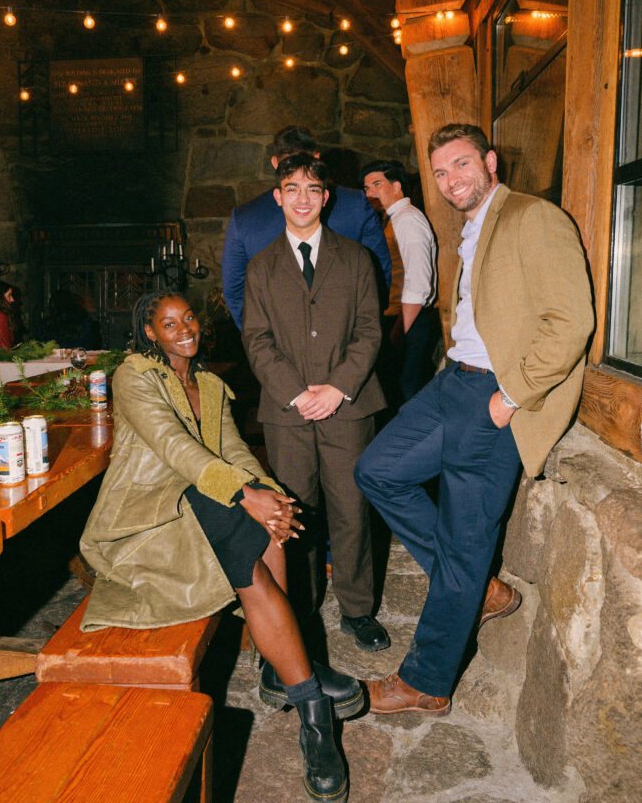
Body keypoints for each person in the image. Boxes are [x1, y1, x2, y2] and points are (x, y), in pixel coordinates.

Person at [80, 290, 360, 803]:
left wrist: (264, 491)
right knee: (245, 529)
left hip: (200, 495)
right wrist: (242, 493)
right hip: (149, 509)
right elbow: (172, 446)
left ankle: (284, 669)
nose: (184, 328)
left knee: (274, 513)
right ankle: (312, 711)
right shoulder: (134, 375)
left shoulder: (208, 383)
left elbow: (231, 448)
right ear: (149, 332)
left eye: (189, 318)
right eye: (169, 323)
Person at [355, 123, 594, 715]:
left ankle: (427, 681)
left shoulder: (534, 217)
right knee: (378, 470)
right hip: (452, 384)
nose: (451, 180)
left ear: (490, 161)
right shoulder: (471, 226)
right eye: (439, 172)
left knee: (465, 544)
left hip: (494, 397)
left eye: (461, 165)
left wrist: (509, 397)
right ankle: (478, 589)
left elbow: (572, 320)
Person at [242, 152, 390, 653]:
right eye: (292, 189)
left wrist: (337, 386)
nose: (302, 199)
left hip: (348, 406)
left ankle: (357, 609)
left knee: (351, 508)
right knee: (292, 512)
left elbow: (371, 329)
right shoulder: (261, 267)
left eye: (312, 189)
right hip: (286, 413)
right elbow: (257, 340)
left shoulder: (355, 259)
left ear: (325, 198)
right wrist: (297, 393)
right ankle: (299, 606)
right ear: (278, 197)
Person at [222, 125, 391, 329]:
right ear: (317, 158)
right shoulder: (356, 204)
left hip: (282, 345)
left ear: (274, 162)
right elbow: (379, 278)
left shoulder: (245, 218)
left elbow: (236, 293)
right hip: (344, 340)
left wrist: (260, 344)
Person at [361, 159, 439, 402]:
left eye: (376, 184)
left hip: (408, 320)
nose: (370, 192)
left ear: (397, 186)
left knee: (408, 391)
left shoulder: (406, 218)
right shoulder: (392, 219)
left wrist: (399, 331)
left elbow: (418, 281)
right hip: (399, 319)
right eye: (366, 188)